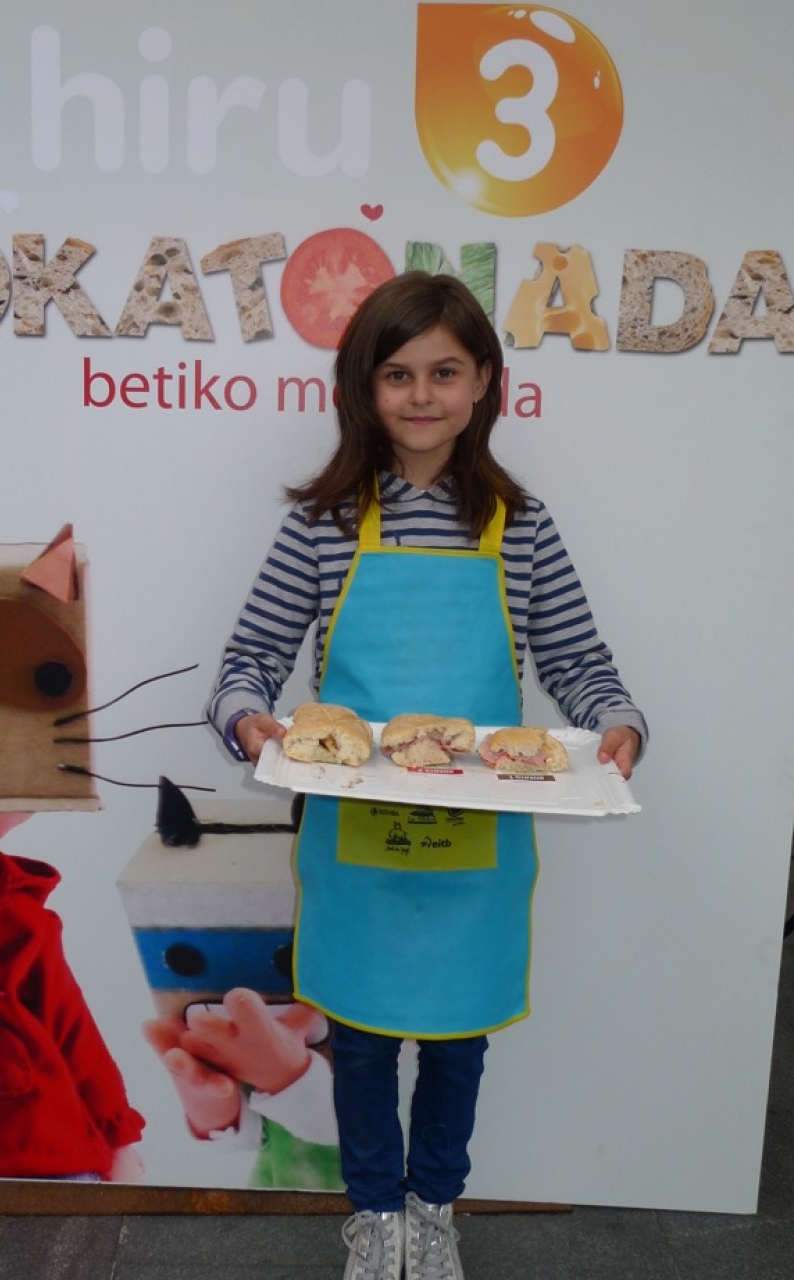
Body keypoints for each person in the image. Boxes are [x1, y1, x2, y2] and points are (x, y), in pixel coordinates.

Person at [207, 272, 646, 1280]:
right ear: (363, 387)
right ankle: (374, 1214)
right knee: (360, 1046)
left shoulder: (521, 525)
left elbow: (578, 660)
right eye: (397, 373)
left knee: (457, 1043)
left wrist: (619, 723)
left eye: (445, 372)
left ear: (484, 381)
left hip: (477, 848)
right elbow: (247, 662)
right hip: (354, 842)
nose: (420, 395)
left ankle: (433, 1207)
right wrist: (247, 719)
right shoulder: (323, 523)